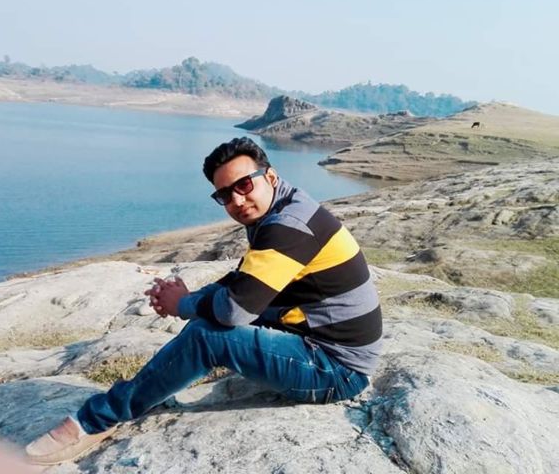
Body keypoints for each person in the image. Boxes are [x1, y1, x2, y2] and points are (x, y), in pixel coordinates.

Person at [26, 137, 383, 465]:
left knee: (207, 336)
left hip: (336, 368)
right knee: (209, 321)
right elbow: (243, 282)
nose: (236, 201)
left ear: (270, 177)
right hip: (313, 333)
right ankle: (160, 381)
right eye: (224, 195)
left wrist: (182, 305)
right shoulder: (284, 206)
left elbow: (234, 311)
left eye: (244, 185)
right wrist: (192, 298)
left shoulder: (288, 225)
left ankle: (96, 420)